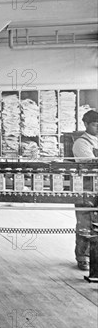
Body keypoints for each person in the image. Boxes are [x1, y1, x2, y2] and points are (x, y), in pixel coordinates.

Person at [72, 109, 98, 271]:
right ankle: (83, 257)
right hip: (86, 187)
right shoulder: (81, 143)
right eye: (95, 125)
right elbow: (91, 163)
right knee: (85, 222)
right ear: (86, 124)